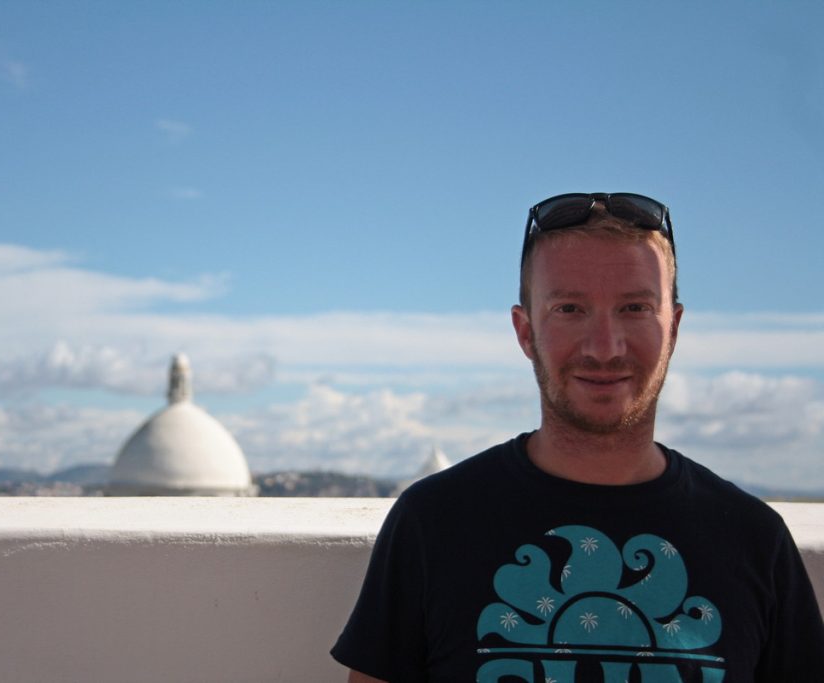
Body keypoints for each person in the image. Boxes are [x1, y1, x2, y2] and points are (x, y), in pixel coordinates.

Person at [331, 192, 824, 682]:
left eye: (634, 307)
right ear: (525, 332)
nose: (604, 348)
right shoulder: (432, 523)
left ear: (673, 329)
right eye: (570, 308)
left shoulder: (755, 541)